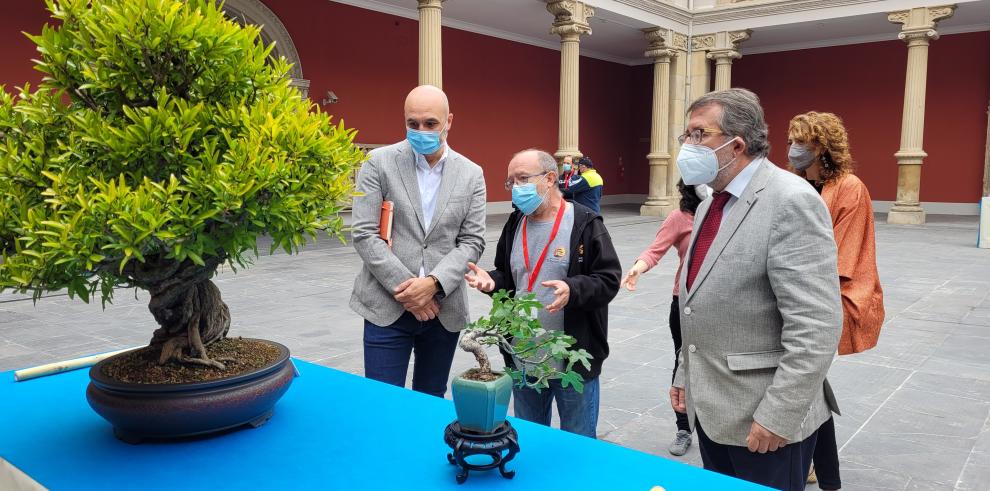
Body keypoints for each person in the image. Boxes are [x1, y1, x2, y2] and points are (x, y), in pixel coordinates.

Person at [668, 88, 842, 491]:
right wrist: (684, 374)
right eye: (686, 136)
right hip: (713, 410)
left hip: (764, 422)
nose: (687, 146)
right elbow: (696, 302)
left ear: (737, 144)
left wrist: (778, 416)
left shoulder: (790, 200)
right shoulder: (714, 200)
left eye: (698, 135)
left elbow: (815, 326)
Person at [464, 149, 621, 438]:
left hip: (573, 360)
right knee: (531, 439)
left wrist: (573, 289)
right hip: (524, 357)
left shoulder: (586, 222)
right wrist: (492, 282)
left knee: (578, 443)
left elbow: (609, 279)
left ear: (550, 178)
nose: (516, 188)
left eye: (523, 178)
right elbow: (509, 277)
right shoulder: (515, 223)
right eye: (511, 182)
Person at [350, 85, 487, 398]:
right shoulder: (378, 162)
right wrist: (411, 291)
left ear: (448, 121)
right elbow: (364, 232)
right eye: (413, 124)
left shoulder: (471, 173)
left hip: (443, 308)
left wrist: (433, 284)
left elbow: (472, 240)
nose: (421, 130)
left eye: (430, 124)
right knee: (384, 402)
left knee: (430, 399)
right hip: (386, 306)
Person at [788, 111, 886, 491]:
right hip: (792, 296)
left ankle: (822, 473)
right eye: (792, 140)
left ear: (822, 147)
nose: (793, 149)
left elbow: (842, 254)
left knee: (807, 382)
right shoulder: (795, 183)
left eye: (802, 142)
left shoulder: (849, 187)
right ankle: (824, 473)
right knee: (810, 384)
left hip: (823, 299)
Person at [620, 180, 708, 456]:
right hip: (684, 303)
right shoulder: (680, 217)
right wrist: (637, 268)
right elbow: (655, 250)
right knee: (683, 362)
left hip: (723, 305)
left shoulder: (730, 213)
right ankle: (684, 427)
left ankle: (713, 427)